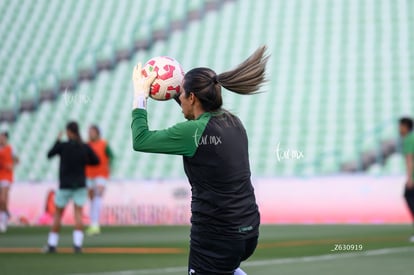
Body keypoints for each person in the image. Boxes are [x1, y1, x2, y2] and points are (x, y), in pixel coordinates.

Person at [131, 46, 268, 274]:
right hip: (248, 231)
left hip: (217, 238)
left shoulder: (193, 132)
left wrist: (139, 95)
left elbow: (141, 140)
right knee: (228, 268)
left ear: (192, 97)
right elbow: (197, 114)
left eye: (182, 94)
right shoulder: (234, 122)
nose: (180, 99)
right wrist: (176, 88)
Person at [45, 121, 99, 253]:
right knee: (78, 215)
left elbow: (49, 154)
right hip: (80, 184)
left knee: (58, 214)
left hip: (65, 185)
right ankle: (77, 245)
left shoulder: (63, 146)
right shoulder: (84, 146)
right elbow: (96, 160)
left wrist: (57, 140)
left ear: (69, 132)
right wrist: (85, 161)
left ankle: (52, 244)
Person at [85, 124, 114, 235]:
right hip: (89, 174)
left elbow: (111, 156)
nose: (90, 134)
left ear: (97, 132)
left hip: (101, 173)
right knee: (92, 198)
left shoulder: (103, 144)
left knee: (98, 195)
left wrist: (109, 166)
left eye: (92, 131)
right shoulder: (87, 145)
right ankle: (93, 223)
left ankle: (95, 224)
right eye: (89, 132)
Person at [0, 131, 19, 233]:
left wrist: (12, 166)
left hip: (6, 176)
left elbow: (17, 160)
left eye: (3, 137)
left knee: (3, 198)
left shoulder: (10, 149)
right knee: (1, 200)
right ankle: (5, 214)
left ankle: (3, 221)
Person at [399, 117, 414, 242]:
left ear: (406, 126)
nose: (399, 129)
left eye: (401, 126)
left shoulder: (409, 139)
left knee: (409, 198)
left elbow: (409, 159)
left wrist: (409, 178)